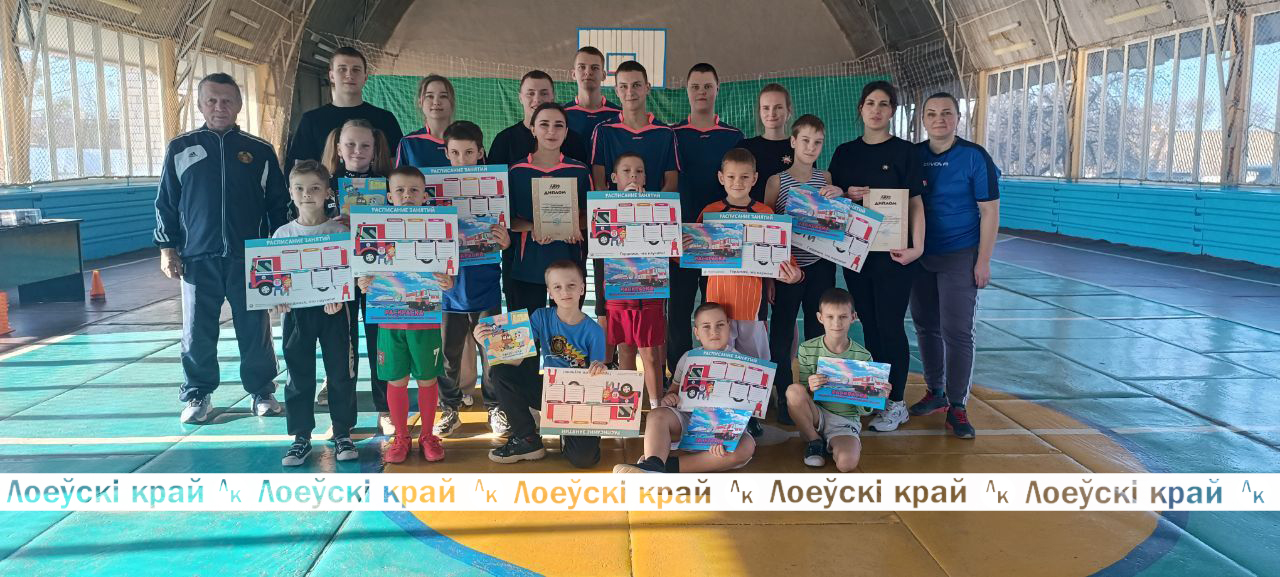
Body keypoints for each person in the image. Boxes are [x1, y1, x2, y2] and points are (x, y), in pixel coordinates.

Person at [154, 73, 289, 424]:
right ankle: (197, 394)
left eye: (227, 100)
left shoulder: (260, 151)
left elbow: (278, 205)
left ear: (239, 105)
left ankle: (262, 391)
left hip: (251, 257)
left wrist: (279, 253)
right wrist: (168, 248)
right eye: (212, 100)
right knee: (197, 329)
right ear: (200, 105)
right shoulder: (180, 148)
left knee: (254, 328)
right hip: (197, 257)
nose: (219, 107)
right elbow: (166, 203)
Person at [828, 80, 927, 433]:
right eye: (870, 103)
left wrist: (918, 247)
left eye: (883, 104)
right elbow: (832, 199)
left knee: (890, 326)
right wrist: (844, 194)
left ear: (892, 111)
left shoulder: (905, 152)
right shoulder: (845, 153)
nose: (876, 110)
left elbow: (915, 203)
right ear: (861, 108)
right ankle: (877, 396)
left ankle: (897, 402)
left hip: (894, 256)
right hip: (856, 255)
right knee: (869, 326)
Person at [908, 92, 1001, 439]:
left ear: (958, 118)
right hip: (919, 254)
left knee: (957, 330)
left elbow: (990, 211)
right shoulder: (914, 155)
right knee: (925, 325)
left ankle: (958, 404)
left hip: (960, 253)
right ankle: (936, 391)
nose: (939, 119)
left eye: (947, 113)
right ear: (923, 119)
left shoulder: (975, 157)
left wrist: (983, 260)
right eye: (932, 113)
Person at [356, 166, 456, 463]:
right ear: (389, 197)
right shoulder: (376, 230)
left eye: (413, 190)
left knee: (427, 379)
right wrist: (364, 282)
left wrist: (447, 281)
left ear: (425, 196)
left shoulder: (437, 229)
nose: (407, 195)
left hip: (424, 321)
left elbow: (448, 274)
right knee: (396, 380)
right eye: (399, 190)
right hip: (389, 320)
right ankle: (401, 436)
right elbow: (365, 273)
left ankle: (427, 435)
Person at [476, 260, 607, 467]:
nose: (565, 292)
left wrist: (600, 369)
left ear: (582, 289)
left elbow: (597, 376)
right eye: (557, 287)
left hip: (578, 399)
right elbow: (516, 358)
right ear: (550, 292)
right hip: (550, 392)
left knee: (584, 460)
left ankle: (568, 432)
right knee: (501, 372)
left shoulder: (594, 331)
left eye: (571, 285)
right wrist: (487, 342)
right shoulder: (541, 318)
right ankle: (527, 439)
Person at [273, 161, 358, 466]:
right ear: (290, 192)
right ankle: (301, 437)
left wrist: (341, 296)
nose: (307, 194)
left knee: (340, 373)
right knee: (299, 375)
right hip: (296, 315)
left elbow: (350, 274)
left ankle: (343, 433)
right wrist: (278, 300)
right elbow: (275, 280)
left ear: (327, 193)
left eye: (314, 188)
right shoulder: (281, 235)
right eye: (299, 188)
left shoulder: (340, 232)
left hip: (333, 313)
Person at [433, 121, 513, 438]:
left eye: (468, 152)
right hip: (447, 291)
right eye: (455, 153)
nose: (462, 159)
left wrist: (505, 241)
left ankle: (495, 407)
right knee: (447, 356)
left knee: (492, 352)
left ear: (480, 152)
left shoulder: (494, 188)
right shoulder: (433, 192)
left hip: (485, 285)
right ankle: (449, 409)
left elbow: (505, 234)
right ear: (446, 154)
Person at [762, 114, 842, 424]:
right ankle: (784, 396)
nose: (811, 147)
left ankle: (814, 397)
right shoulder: (777, 181)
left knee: (817, 334)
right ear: (793, 142)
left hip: (821, 267)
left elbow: (838, 218)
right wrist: (770, 277)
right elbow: (768, 230)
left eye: (817, 142)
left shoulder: (827, 178)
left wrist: (839, 195)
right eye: (805, 140)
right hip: (787, 269)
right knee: (781, 335)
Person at [612, 302, 755, 473]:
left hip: (725, 429)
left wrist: (721, 435)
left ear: (728, 326)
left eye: (720, 325)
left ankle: (660, 468)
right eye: (706, 326)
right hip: (689, 422)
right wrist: (670, 397)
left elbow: (743, 409)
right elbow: (674, 390)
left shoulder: (742, 363)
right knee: (657, 415)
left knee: (747, 446)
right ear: (696, 332)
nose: (714, 332)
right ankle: (654, 462)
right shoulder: (688, 358)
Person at [670, 63, 744, 375]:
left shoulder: (733, 136)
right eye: (695, 86)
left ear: (717, 89)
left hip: (721, 241)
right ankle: (678, 379)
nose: (701, 92)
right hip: (682, 239)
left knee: (719, 316)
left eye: (707, 86)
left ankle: (723, 376)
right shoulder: (672, 134)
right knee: (679, 311)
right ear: (687, 90)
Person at [321, 118, 395, 427]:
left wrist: (369, 223)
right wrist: (333, 223)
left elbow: (400, 228)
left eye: (365, 145)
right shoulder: (324, 185)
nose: (357, 150)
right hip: (340, 275)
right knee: (343, 346)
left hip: (378, 275)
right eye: (350, 144)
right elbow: (305, 223)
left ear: (375, 149)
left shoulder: (388, 184)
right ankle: (343, 417)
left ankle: (385, 410)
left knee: (381, 343)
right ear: (338, 148)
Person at [697, 148, 803, 359]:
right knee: (719, 362)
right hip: (717, 306)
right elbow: (691, 252)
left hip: (752, 304)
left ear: (754, 179)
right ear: (721, 178)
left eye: (744, 177)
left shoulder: (765, 213)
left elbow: (782, 254)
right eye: (731, 176)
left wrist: (795, 274)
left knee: (755, 364)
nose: (738, 182)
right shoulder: (710, 212)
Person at [605, 153, 667, 408]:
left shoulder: (659, 208)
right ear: (614, 177)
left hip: (649, 289)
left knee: (650, 352)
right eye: (627, 171)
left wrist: (642, 207)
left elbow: (665, 243)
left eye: (639, 171)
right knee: (625, 349)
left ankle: (657, 408)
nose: (633, 175)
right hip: (619, 287)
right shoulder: (603, 208)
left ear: (645, 178)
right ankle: (627, 409)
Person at [785, 288, 870, 472]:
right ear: (820, 317)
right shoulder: (807, 349)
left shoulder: (863, 357)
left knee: (846, 464)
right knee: (793, 390)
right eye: (830, 317)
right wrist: (810, 386)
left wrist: (875, 395)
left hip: (845, 421)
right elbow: (802, 396)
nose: (836, 323)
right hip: (817, 415)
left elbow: (863, 411)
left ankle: (835, 443)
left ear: (853, 317)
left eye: (843, 317)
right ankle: (814, 439)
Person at [285, 47, 403, 173]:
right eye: (342, 69)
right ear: (331, 76)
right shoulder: (311, 119)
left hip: (377, 187)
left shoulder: (385, 118)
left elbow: (398, 165)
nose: (349, 75)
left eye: (356, 70)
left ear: (365, 77)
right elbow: (300, 170)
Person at [488, 70, 590, 166]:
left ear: (553, 97)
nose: (537, 99)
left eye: (544, 93)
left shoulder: (573, 141)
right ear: (520, 98)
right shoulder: (504, 140)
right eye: (530, 93)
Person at [740, 83, 795, 204]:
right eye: (766, 108)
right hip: (752, 215)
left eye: (778, 107)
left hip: (790, 215)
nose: (772, 113)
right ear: (759, 111)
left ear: (789, 110)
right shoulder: (744, 148)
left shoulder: (800, 149)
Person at [396, 74, 455, 168]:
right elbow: (398, 177)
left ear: (452, 102)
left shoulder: (468, 140)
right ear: (420, 102)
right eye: (430, 96)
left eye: (443, 96)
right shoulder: (408, 143)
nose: (436, 102)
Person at [564, 46, 620, 141]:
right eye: (582, 67)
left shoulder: (619, 114)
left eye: (595, 68)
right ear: (573, 74)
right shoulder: (562, 114)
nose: (588, 72)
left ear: (603, 75)